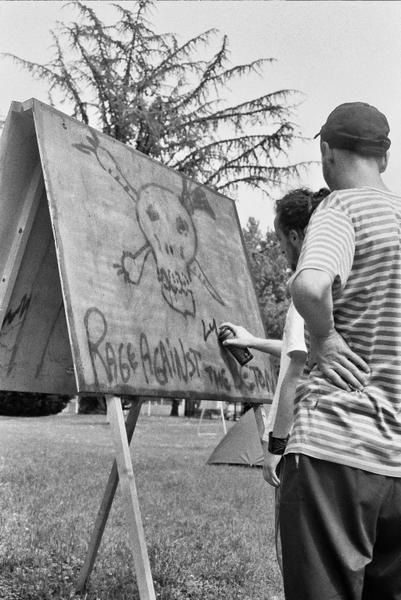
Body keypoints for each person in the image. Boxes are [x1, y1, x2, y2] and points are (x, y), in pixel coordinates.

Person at [279, 101, 401, 600]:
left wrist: (325, 336)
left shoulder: (340, 208)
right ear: (385, 160)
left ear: (327, 152)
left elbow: (308, 287)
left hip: (336, 452)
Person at [221, 187, 329, 487]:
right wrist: (252, 341)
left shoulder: (303, 290)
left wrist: (275, 447)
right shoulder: (331, 285)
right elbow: (301, 351)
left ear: (295, 237)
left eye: (281, 245)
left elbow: (295, 371)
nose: (283, 257)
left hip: (299, 443)